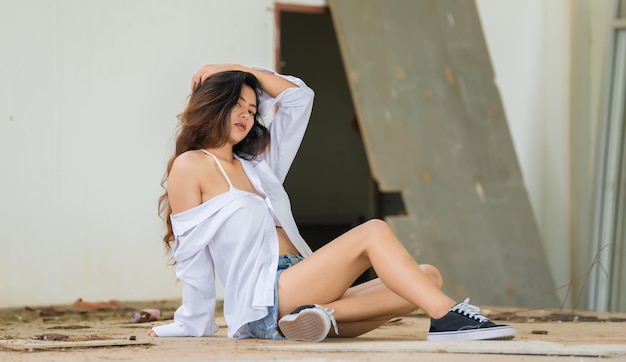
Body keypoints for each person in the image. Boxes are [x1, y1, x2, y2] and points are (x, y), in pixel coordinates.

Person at [148, 64, 516, 342]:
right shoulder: (191, 165)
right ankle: (446, 318)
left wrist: (240, 70)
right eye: (237, 105)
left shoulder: (258, 164)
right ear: (213, 105)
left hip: (299, 285)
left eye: (251, 107)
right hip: (266, 295)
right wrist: (191, 322)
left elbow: (298, 98)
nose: (247, 115)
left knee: (428, 275)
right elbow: (190, 253)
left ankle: (318, 318)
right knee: (373, 232)